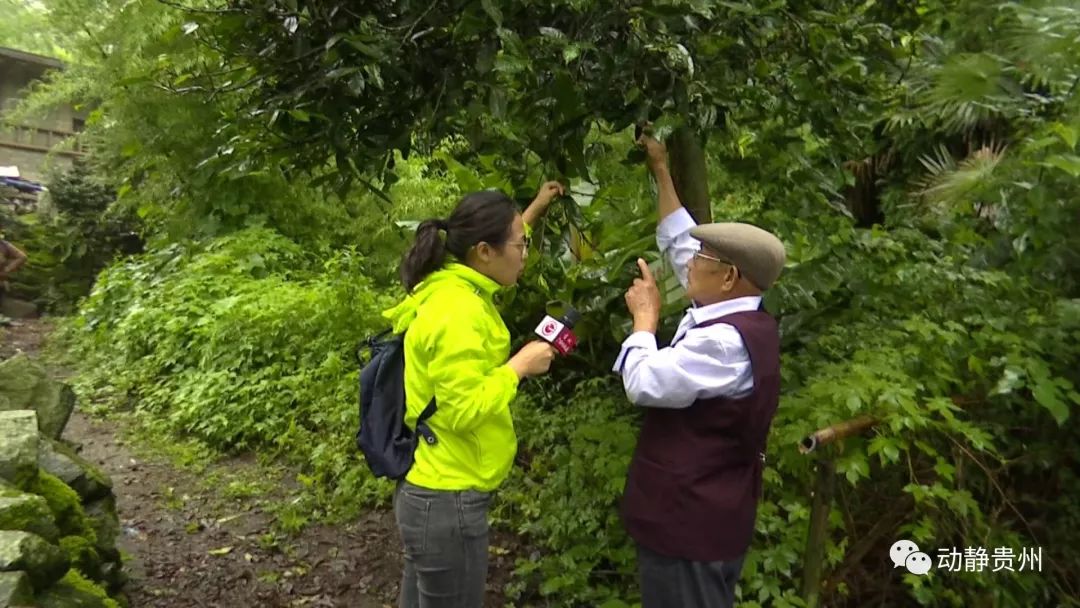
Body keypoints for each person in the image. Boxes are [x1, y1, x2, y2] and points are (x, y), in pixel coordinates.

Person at [614, 132, 787, 608]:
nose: (688, 264)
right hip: (701, 518)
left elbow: (644, 382)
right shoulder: (738, 309)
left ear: (728, 277)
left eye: (702, 261)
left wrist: (645, 321)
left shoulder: (725, 343)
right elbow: (677, 235)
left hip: (690, 527)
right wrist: (661, 168)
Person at [384, 182, 565, 608]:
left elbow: (506, 243)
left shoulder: (449, 286)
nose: (525, 254)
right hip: (448, 500)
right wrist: (518, 367)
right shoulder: (459, 312)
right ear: (483, 251)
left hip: (431, 488)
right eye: (520, 245)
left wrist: (534, 209)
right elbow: (462, 409)